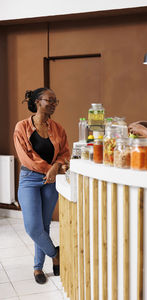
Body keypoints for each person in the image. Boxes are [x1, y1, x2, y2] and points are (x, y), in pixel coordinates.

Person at [13, 87, 70, 284]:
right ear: (38, 102)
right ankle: (55, 253)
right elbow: (25, 158)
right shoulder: (21, 127)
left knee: (44, 226)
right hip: (30, 178)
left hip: (50, 181)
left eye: (56, 101)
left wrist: (56, 167)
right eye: (50, 100)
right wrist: (51, 168)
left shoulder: (58, 128)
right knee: (33, 227)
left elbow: (65, 153)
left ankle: (38, 267)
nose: (54, 104)